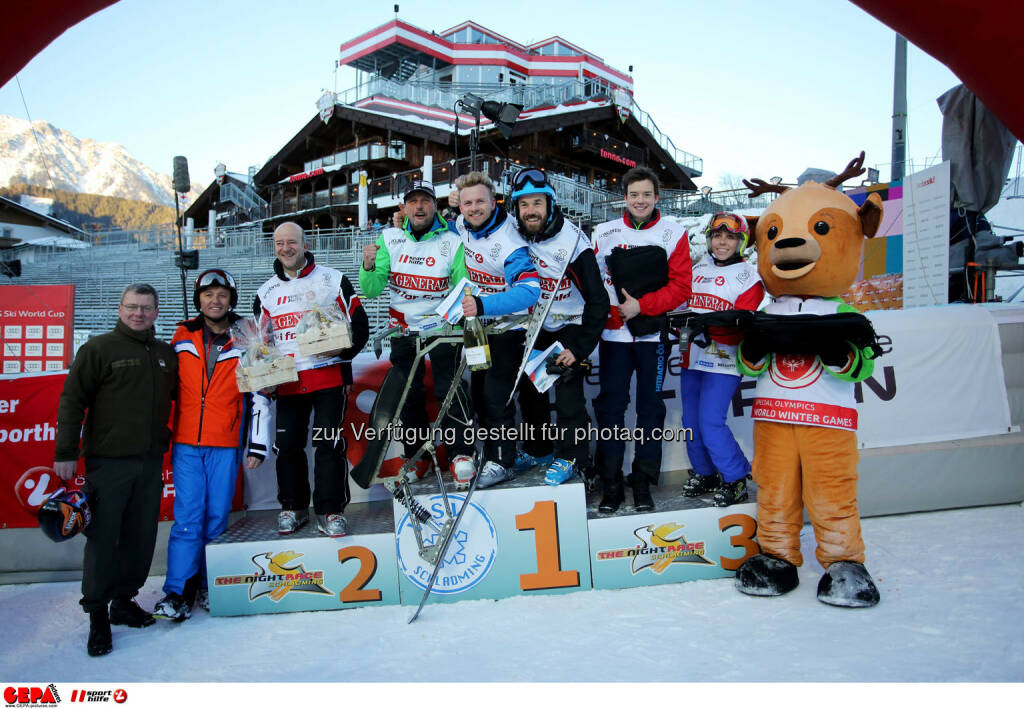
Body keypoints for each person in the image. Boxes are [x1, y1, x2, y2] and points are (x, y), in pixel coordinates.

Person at [54, 283, 177, 657]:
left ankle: (124, 601)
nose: (139, 313)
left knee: (140, 538)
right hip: (108, 463)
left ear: (156, 312)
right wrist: (65, 451)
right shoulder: (98, 349)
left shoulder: (164, 354)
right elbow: (72, 400)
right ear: (120, 309)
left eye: (146, 307)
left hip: (150, 461)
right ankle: (97, 616)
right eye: (132, 307)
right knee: (104, 540)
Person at [152, 269, 269, 622]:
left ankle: (210, 583)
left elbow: (262, 392)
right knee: (188, 516)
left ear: (231, 298)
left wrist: (257, 444)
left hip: (226, 441)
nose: (214, 301)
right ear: (198, 299)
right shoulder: (182, 334)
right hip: (186, 441)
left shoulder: (248, 333)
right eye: (208, 295)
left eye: (221, 294)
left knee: (217, 518)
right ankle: (177, 591)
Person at [491, 167, 608, 488]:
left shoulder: (572, 242)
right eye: (524, 204)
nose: (531, 211)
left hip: (569, 325)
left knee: (568, 396)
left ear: (550, 204)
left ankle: (573, 457)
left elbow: (599, 301)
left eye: (537, 203)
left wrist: (579, 348)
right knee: (531, 393)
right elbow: (478, 220)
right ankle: (540, 449)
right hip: (536, 323)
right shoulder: (513, 231)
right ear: (516, 208)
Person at [253, 222, 369, 537]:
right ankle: (293, 507)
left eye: (292, 242)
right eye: (279, 243)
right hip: (288, 383)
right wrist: (263, 370)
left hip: (328, 379)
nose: (286, 248)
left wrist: (341, 355)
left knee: (328, 444)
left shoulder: (333, 279)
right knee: (287, 446)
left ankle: (331, 511)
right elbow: (260, 343)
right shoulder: (265, 293)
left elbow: (360, 326)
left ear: (305, 244)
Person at [360, 180, 476, 486]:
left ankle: (461, 453)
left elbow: (463, 285)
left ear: (434, 205)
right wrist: (368, 265)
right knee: (408, 396)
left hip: (442, 328)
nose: (419, 207)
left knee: (448, 389)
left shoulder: (451, 241)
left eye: (425, 201)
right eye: (413, 202)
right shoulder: (390, 238)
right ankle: (416, 456)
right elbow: (371, 291)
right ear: (404, 207)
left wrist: (454, 318)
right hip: (403, 331)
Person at [592, 166, 692, 513]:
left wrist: (642, 307)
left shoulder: (673, 232)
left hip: (654, 337)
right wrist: (617, 312)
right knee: (611, 409)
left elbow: (681, 288)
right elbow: (597, 282)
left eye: (646, 194)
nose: (640, 200)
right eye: (634, 194)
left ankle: (643, 482)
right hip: (613, 336)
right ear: (624, 197)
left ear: (657, 197)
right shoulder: (604, 232)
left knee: (650, 409)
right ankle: (612, 483)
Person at [455, 171, 541, 487]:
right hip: (481, 328)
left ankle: (502, 460)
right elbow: (446, 226)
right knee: (479, 395)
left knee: (495, 396)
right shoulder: (463, 224)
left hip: (511, 327)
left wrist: (482, 305)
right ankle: (494, 454)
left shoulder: (509, 240)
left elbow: (531, 290)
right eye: (467, 203)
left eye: (480, 201)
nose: (474, 208)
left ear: (494, 202)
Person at [680, 213, 764, 506]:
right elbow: (680, 305)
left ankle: (735, 477)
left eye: (730, 237)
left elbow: (744, 318)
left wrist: (710, 321)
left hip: (724, 360)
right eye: (717, 236)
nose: (722, 242)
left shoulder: (749, 275)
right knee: (690, 420)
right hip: (693, 355)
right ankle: (705, 473)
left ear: (741, 241)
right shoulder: (697, 269)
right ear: (709, 240)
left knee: (710, 420)